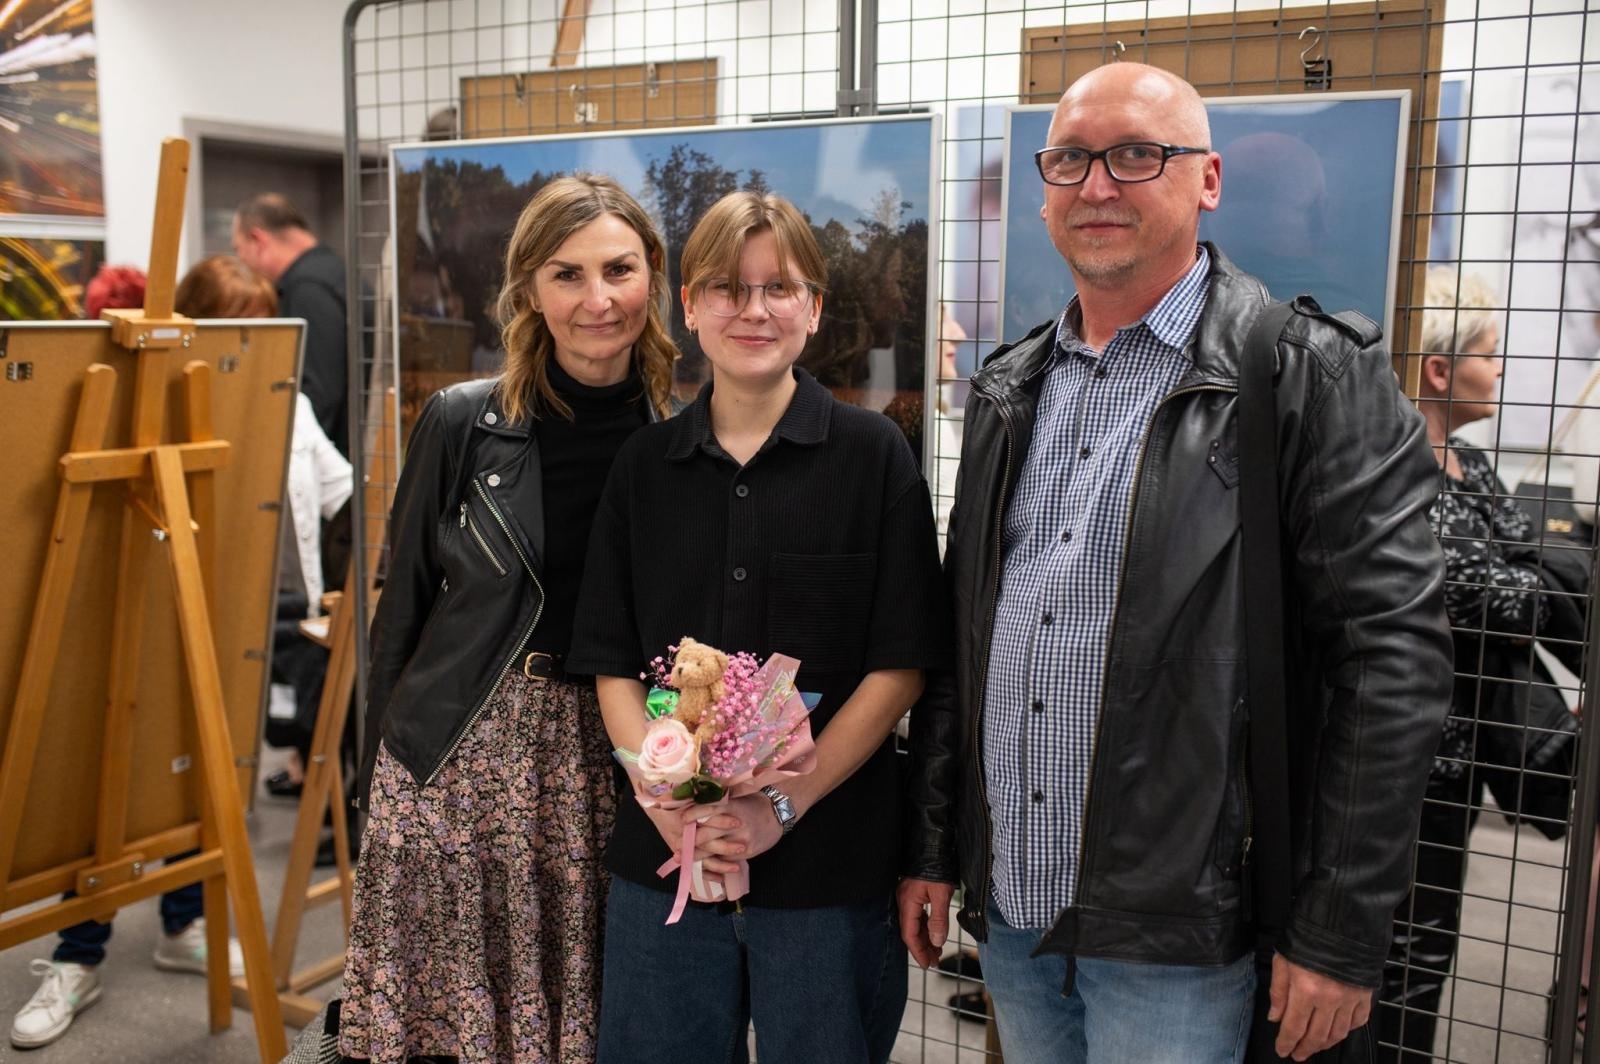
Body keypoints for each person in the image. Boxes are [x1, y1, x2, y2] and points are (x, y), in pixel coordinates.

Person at [896, 61, 1454, 1064]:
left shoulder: (1303, 375)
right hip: (1017, 907)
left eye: (1136, 155)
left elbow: (1392, 662)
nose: (1097, 185)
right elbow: (963, 642)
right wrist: (935, 849)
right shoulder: (1009, 387)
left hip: (1184, 933)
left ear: (1207, 180)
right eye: (1070, 159)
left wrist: (1337, 928)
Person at [568, 190, 948, 1064]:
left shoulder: (871, 456)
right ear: (690, 307)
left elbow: (899, 666)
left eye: (779, 288)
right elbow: (614, 665)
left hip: (827, 874)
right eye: (727, 289)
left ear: (813, 309)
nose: (753, 310)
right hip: (664, 868)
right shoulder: (643, 468)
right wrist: (663, 800)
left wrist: (784, 803)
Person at [338, 174, 679, 1063]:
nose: (597, 300)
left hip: (608, 760)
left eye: (619, 269)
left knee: (579, 1010)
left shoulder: (683, 436)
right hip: (459, 754)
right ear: (530, 288)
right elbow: (402, 605)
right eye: (567, 274)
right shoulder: (462, 421)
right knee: (446, 1025)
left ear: (655, 276)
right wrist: (373, 772)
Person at [9, 262, 249, 1052]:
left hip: (184, 588)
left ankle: (181, 923)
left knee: (174, 766)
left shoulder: (206, 397)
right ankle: (78, 955)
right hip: (81, 599)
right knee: (89, 781)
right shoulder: (92, 397)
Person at [1376, 268, 1585, 1061]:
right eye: (1490, 355)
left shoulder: (1470, 463)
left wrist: (1525, 580)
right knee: (1395, 955)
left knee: (1430, 951)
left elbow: (1527, 581)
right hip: (1405, 762)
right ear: (1439, 370)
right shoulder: (1396, 468)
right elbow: (1486, 594)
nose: (1501, 371)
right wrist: (1528, 580)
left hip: (1465, 760)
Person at [232, 193, 353, 456]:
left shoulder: (306, 288)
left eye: (238, 250)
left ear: (257, 240)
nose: (241, 262)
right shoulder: (334, 271)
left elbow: (319, 393)